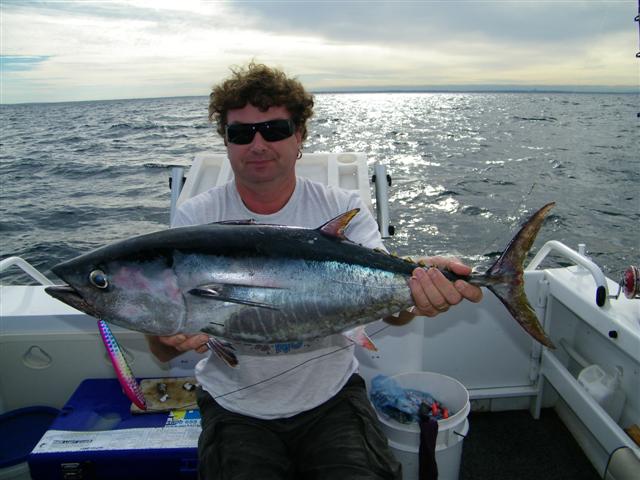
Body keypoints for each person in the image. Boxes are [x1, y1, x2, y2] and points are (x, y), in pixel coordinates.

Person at [146, 62, 483, 480]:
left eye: (274, 130)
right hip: (235, 408)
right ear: (226, 142)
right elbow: (161, 350)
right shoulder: (196, 218)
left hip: (332, 399)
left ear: (300, 136)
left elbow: (395, 312)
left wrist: (419, 292)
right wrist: (166, 337)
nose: (258, 144)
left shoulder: (341, 208)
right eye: (241, 133)